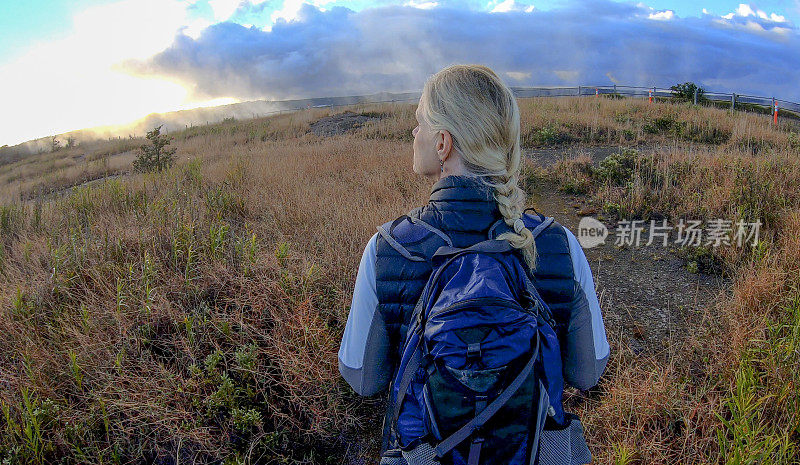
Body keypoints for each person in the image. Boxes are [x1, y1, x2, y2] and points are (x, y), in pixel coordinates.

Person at [338, 64, 609, 464]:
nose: (414, 135)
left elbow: (363, 377)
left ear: (443, 143)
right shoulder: (559, 243)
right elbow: (588, 372)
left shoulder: (388, 248)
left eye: (419, 125)